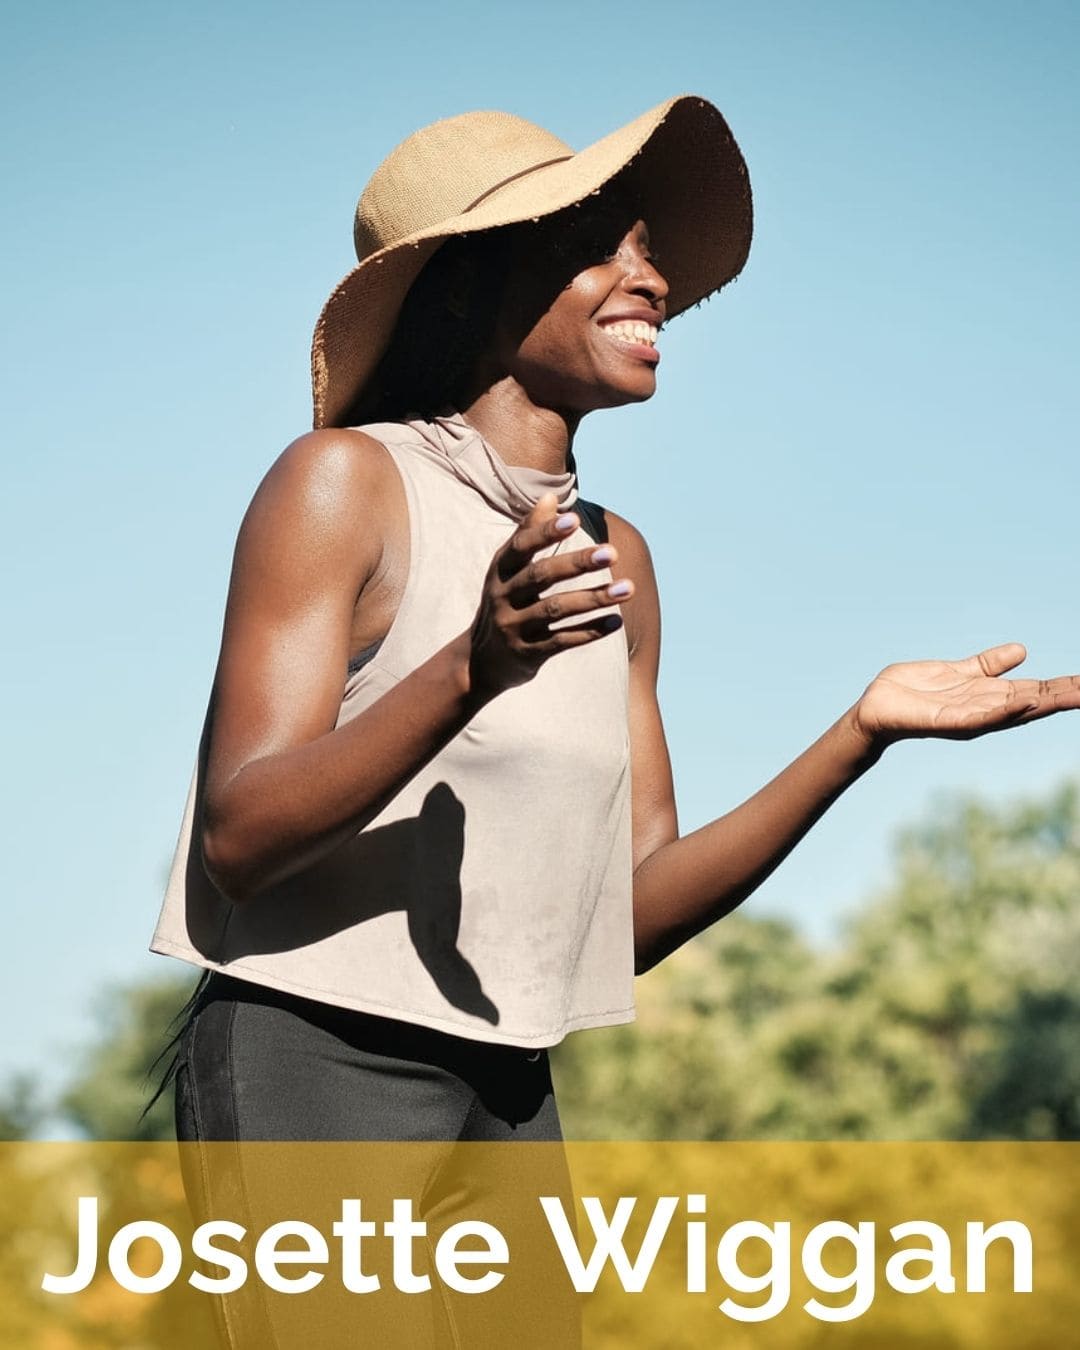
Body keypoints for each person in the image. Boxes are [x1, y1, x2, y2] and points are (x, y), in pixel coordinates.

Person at [150, 94, 1078, 1345]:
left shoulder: (615, 560)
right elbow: (237, 839)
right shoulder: (342, 486)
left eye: (651, 248)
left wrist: (860, 734)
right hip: (315, 1059)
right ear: (472, 287)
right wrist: (470, 671)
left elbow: (629, 914)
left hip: (511, 1088)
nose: (652, 277)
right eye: (603, 245)